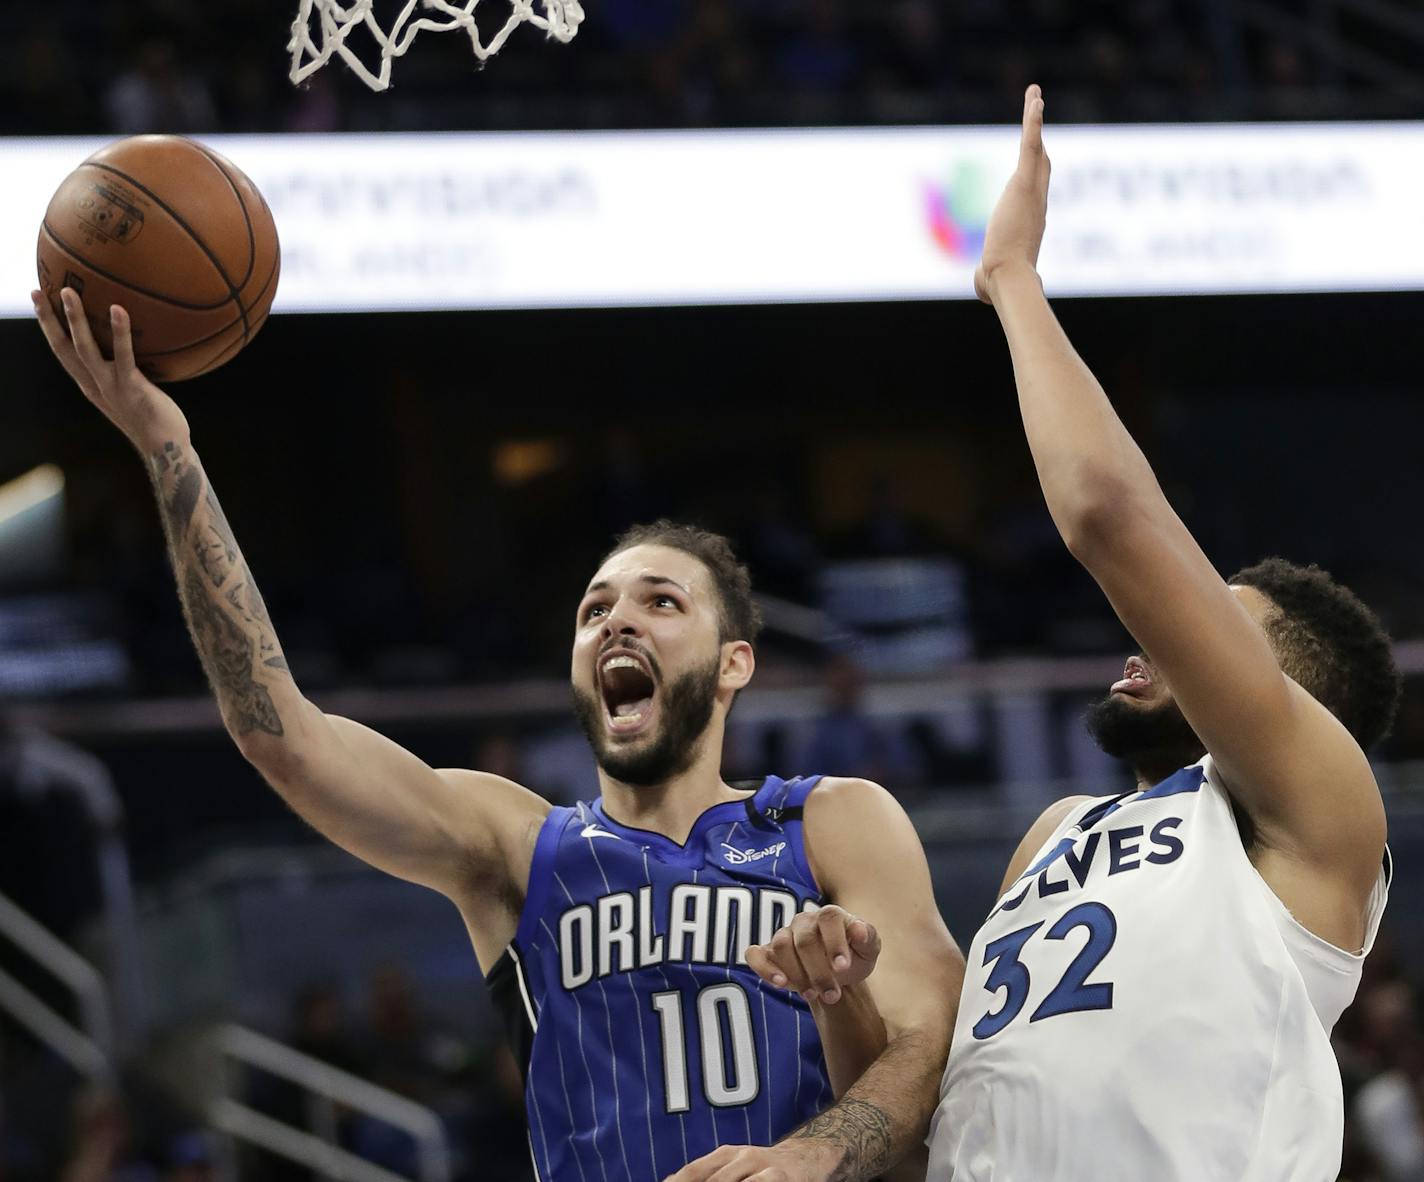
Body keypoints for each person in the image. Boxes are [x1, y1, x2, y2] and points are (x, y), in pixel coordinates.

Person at [32, 288, 964, 1182]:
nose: (616, 621)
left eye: (661, 602)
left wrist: (810, 1156)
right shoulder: (517, 847)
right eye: (593, 608)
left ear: (734, 665)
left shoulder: (834, 821)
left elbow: (932, 1040)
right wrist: (168, 448)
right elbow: (282, 734)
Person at [809, 87, 1400, 1181]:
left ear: (1281, 691)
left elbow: (1110, 520)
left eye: (1200, 631)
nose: (1147, 639)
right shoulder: (1054, 834)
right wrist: (841, 1007)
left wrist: (1012, 283)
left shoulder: (1315, 812)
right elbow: (936, 1134)